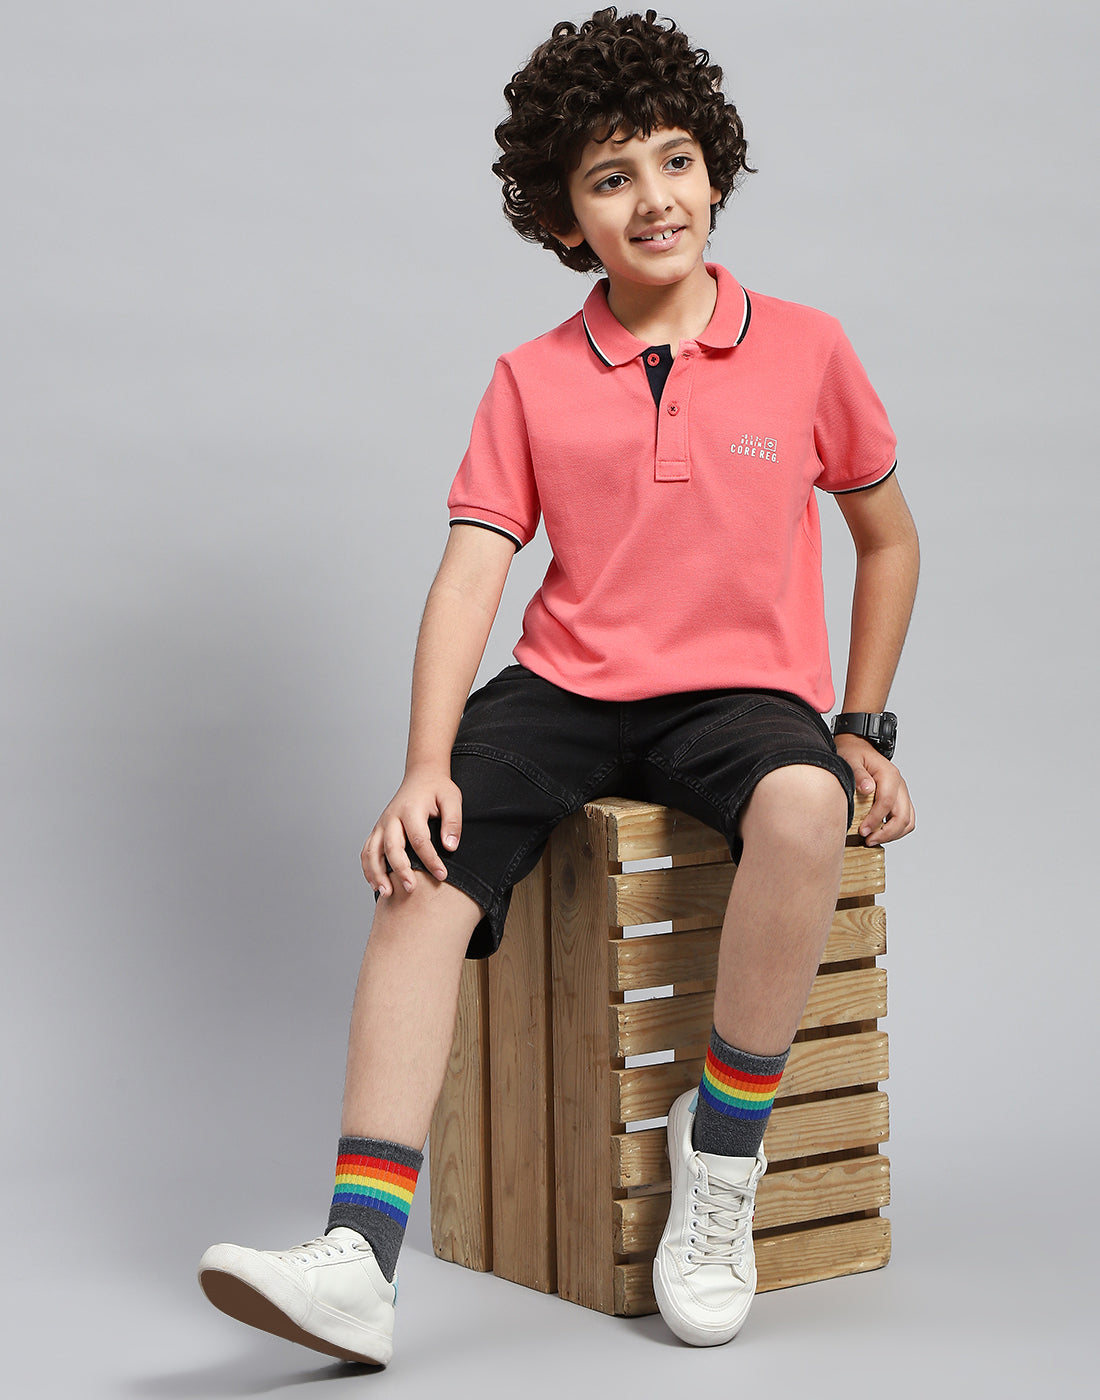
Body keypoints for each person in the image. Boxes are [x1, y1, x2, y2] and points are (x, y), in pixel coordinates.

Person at [198, 5, 918, 1366]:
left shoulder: (809, 348)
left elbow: (888, 537)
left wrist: (862, 727)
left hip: (741, 696)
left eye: (674, 160)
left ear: (715, 168)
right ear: (562, 216)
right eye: (610, 178)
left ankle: (723, 1155)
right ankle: (358, 1257)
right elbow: (470, 575)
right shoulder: (529, 380)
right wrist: (424, 766)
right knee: (424, 866)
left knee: (810, 806)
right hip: (567, 688)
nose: (655, 199)